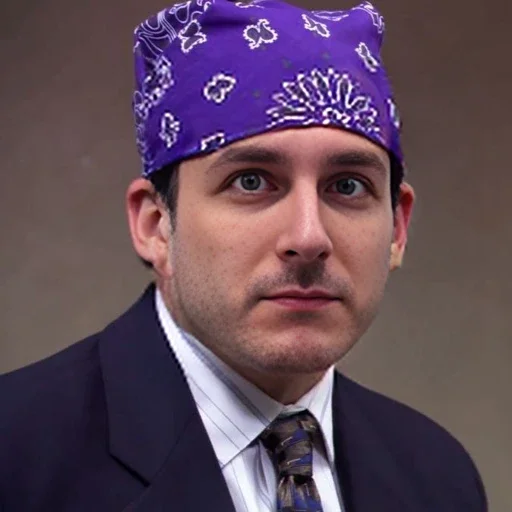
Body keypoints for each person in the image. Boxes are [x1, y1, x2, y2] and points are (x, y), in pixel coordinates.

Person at [0, 1, 487, 511]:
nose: (308, 236)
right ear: (155, 225)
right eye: (251, 181)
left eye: (347, 185)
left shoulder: (438, 477)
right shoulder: (16, 459)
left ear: (398, 228)